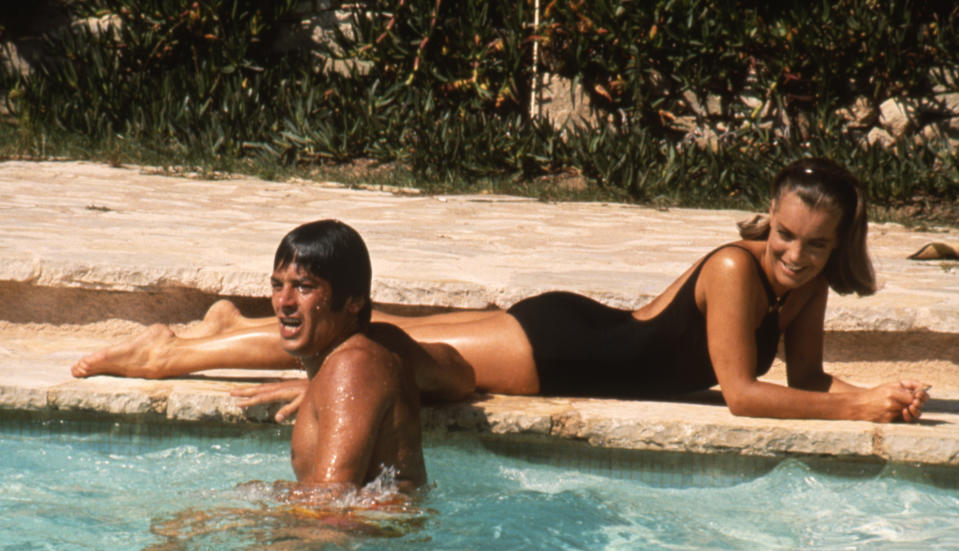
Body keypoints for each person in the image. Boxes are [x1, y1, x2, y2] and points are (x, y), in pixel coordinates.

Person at [72, 158, 929, 423]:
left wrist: (870, 392)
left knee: (385, 323)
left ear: (839, 242)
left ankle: (231, 323)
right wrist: (855, 414)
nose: (794, 255)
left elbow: (806, 383)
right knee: (382, 349)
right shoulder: (740, 268)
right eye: (783, 234)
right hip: (557, 350)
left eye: (814, 245)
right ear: (766, 222)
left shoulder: (803, 283)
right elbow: (742, 395)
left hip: (573, 330)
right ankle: (165, 355)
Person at [186, 219, 473, 492]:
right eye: (277, 285)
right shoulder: (376, 349)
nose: (284, 302)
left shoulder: (352, 366)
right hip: (379, 532)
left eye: (304, 287)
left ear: (354, 301)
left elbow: (330, 509)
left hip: (371, 538)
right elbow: (462, 376)